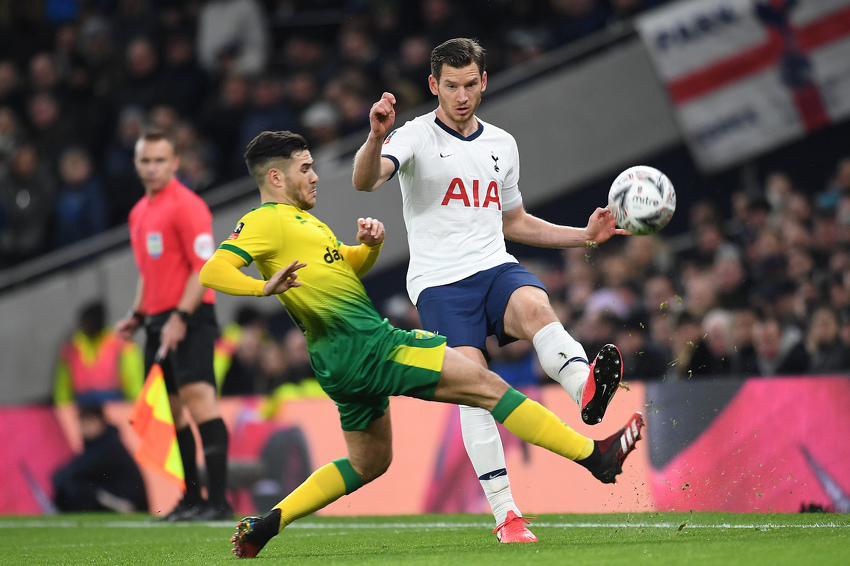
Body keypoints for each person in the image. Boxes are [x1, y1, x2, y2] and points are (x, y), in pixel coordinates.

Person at [198, 130, 644, 559]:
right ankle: (596, 457)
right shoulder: (263, 222)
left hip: (335, 362)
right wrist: (264, 288)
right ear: (276, 177)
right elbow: (213, 272)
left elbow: (343, 269)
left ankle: (269, 523)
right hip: (370, 346)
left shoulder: (300, 222)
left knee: (369, 462)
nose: (314, 176)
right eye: (305, 168)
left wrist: (368, 248)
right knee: (489, 387)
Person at [351, 37, 629, 541]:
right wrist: (374, 139)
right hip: (439, 284)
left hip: (493, 265)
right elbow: (365, 182)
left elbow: (515, 221)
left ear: (485, 81)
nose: (461, 96)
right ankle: (507, 515)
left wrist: (585, 236)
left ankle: (584, 392)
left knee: (537, 306)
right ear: (434, 85)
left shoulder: (502, 144)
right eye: (451, 86)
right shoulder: (412, 136)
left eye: (470, 84)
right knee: (475, 387)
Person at [114, 131, 232, 521]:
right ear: (136, 164)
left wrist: (180, 318)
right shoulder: (138, 213)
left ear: (175, 163)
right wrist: (138, 314)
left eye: (160, 161)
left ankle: (218, 502)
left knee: (200, 401)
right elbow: (149, 272)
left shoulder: (188, 206)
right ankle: (192, 499)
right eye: (146, 161)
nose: (152, 168)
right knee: (176, 411)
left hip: (191, 316)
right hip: (159, 319)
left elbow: (204, 268)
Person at [52, 403, 148, 513]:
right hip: (120, 498)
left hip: (129, 503)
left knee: (74, 486)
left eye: (88, 421)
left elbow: (71, 472)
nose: (83, 427)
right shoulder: (98, 445)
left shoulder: (108, 448)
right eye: (81, 422)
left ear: (100, 421)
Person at [54, 300, 144, 407]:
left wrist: (136, 402)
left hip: (115, 401)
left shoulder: (119, 342)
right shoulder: (71, 345)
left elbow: (134, 375)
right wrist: (63, 406)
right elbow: (62, 383)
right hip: (82, 403)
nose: (87, 325)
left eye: (90, 321)